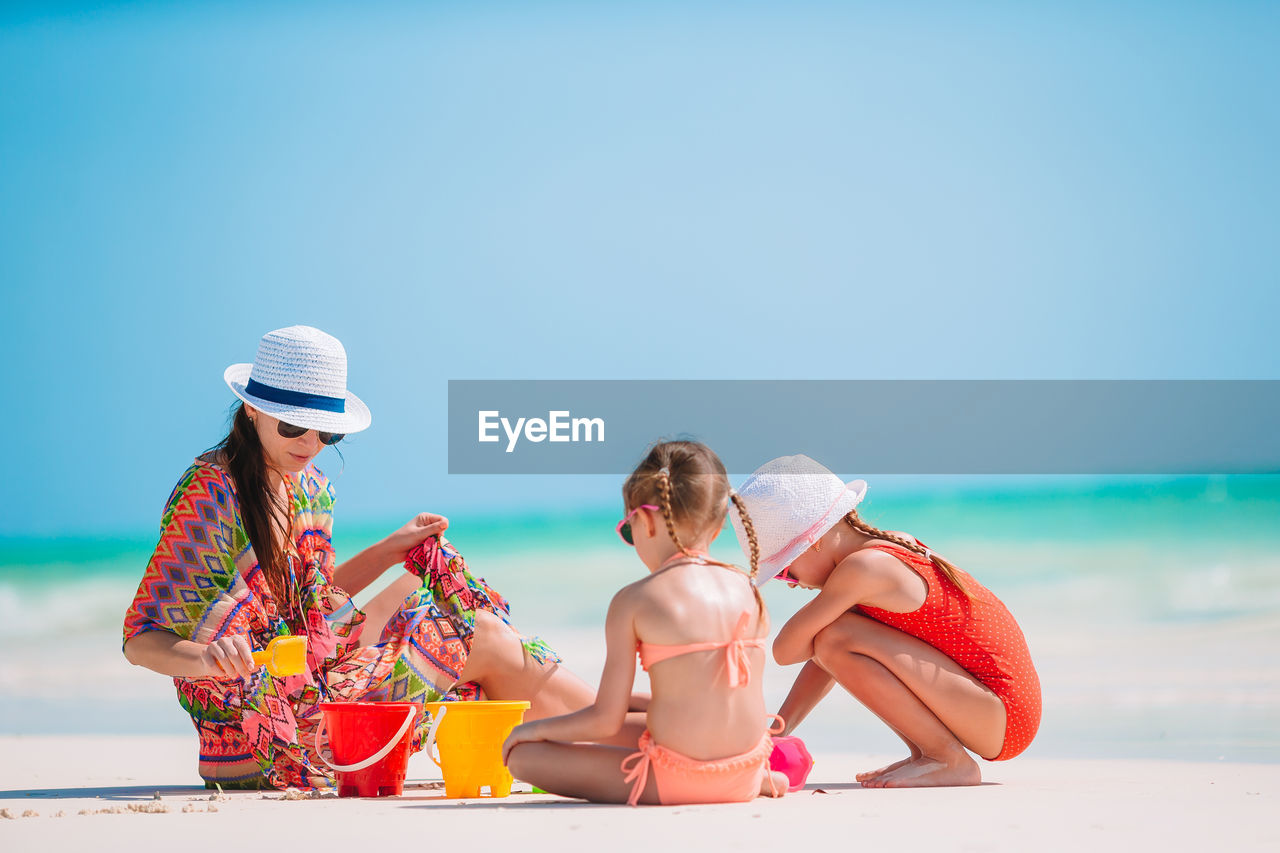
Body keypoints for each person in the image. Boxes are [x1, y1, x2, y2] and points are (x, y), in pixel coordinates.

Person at [122, 325, 598, 790]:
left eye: (326, 431)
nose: (309, 444)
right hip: (264, 736)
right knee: (483, 638)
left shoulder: (308, 487)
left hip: (308, 684)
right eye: (293, 425)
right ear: (251, 410)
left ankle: (606, 721)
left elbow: (316, 614)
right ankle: (609, 727)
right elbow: (139, 640)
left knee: (424, 588)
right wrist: (208, 658)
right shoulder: (209, 493)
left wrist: (391, 552)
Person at [501, 440, 790, 805]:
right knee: (628, 717)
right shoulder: (748, 588)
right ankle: (761, 782)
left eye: (627, 529)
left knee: (524, 756)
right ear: (717, 527)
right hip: (749, 768)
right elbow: (707, 694)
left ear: (647, 520)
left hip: (677, 779)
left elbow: (603, 721)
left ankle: (714, 785)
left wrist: (529, 730)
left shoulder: (634, 600)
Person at [729, 454, 1041, 788]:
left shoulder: (865, 569)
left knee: (835, 636)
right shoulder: (885, 547)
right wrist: (776, 732)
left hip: (1002, 716)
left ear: (814, 540)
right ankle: (930, 754)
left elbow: (785, 651)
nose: (795, 584)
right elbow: (825, 659)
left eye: (784, 571)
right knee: (834, 637)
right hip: (1000, 713)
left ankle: (947, 758)